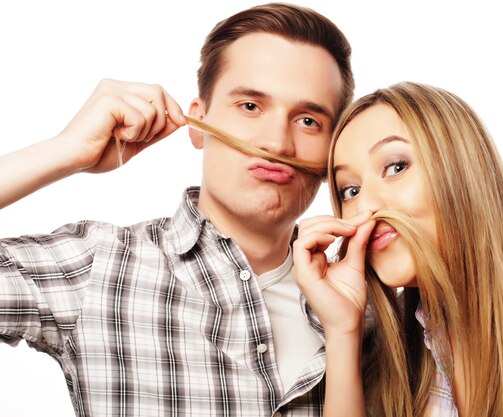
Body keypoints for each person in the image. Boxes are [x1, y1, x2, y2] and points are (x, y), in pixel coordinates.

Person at [0, 3, 354, 416]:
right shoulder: (95, 265)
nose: (277, 143)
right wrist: (66, 151)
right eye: (251, 107)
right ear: (199, 124)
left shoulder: (362, 303)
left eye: (309, 120)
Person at [293, 82, 503, 417]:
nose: (365, 207)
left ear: (463, 172)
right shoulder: (385, 348)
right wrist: (342, 332)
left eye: (396, 167)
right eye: (350, 190)